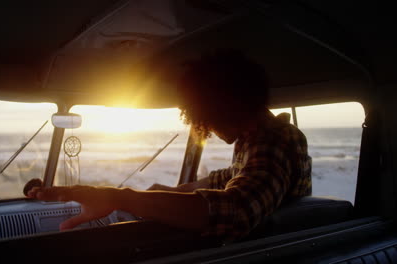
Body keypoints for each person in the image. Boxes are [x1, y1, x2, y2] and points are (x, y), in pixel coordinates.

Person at [26, 50, 312, 240]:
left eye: (208, 119)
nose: (208, 128)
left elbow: (237, 211)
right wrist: (174, 192)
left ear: (229, 105)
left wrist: (120, 197)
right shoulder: (255, 139)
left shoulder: (276, 140)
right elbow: (226, 179)